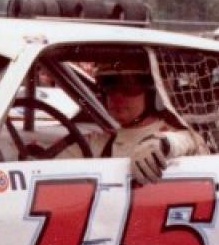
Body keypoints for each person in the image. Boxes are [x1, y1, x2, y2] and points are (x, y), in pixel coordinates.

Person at [86, 53, 204, 184]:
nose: (117, 97)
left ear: (153, 93)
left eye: (129, 88)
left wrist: (161, 144)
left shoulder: (175, 135)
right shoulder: (97, 142)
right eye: (109, 86)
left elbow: (191, 141)